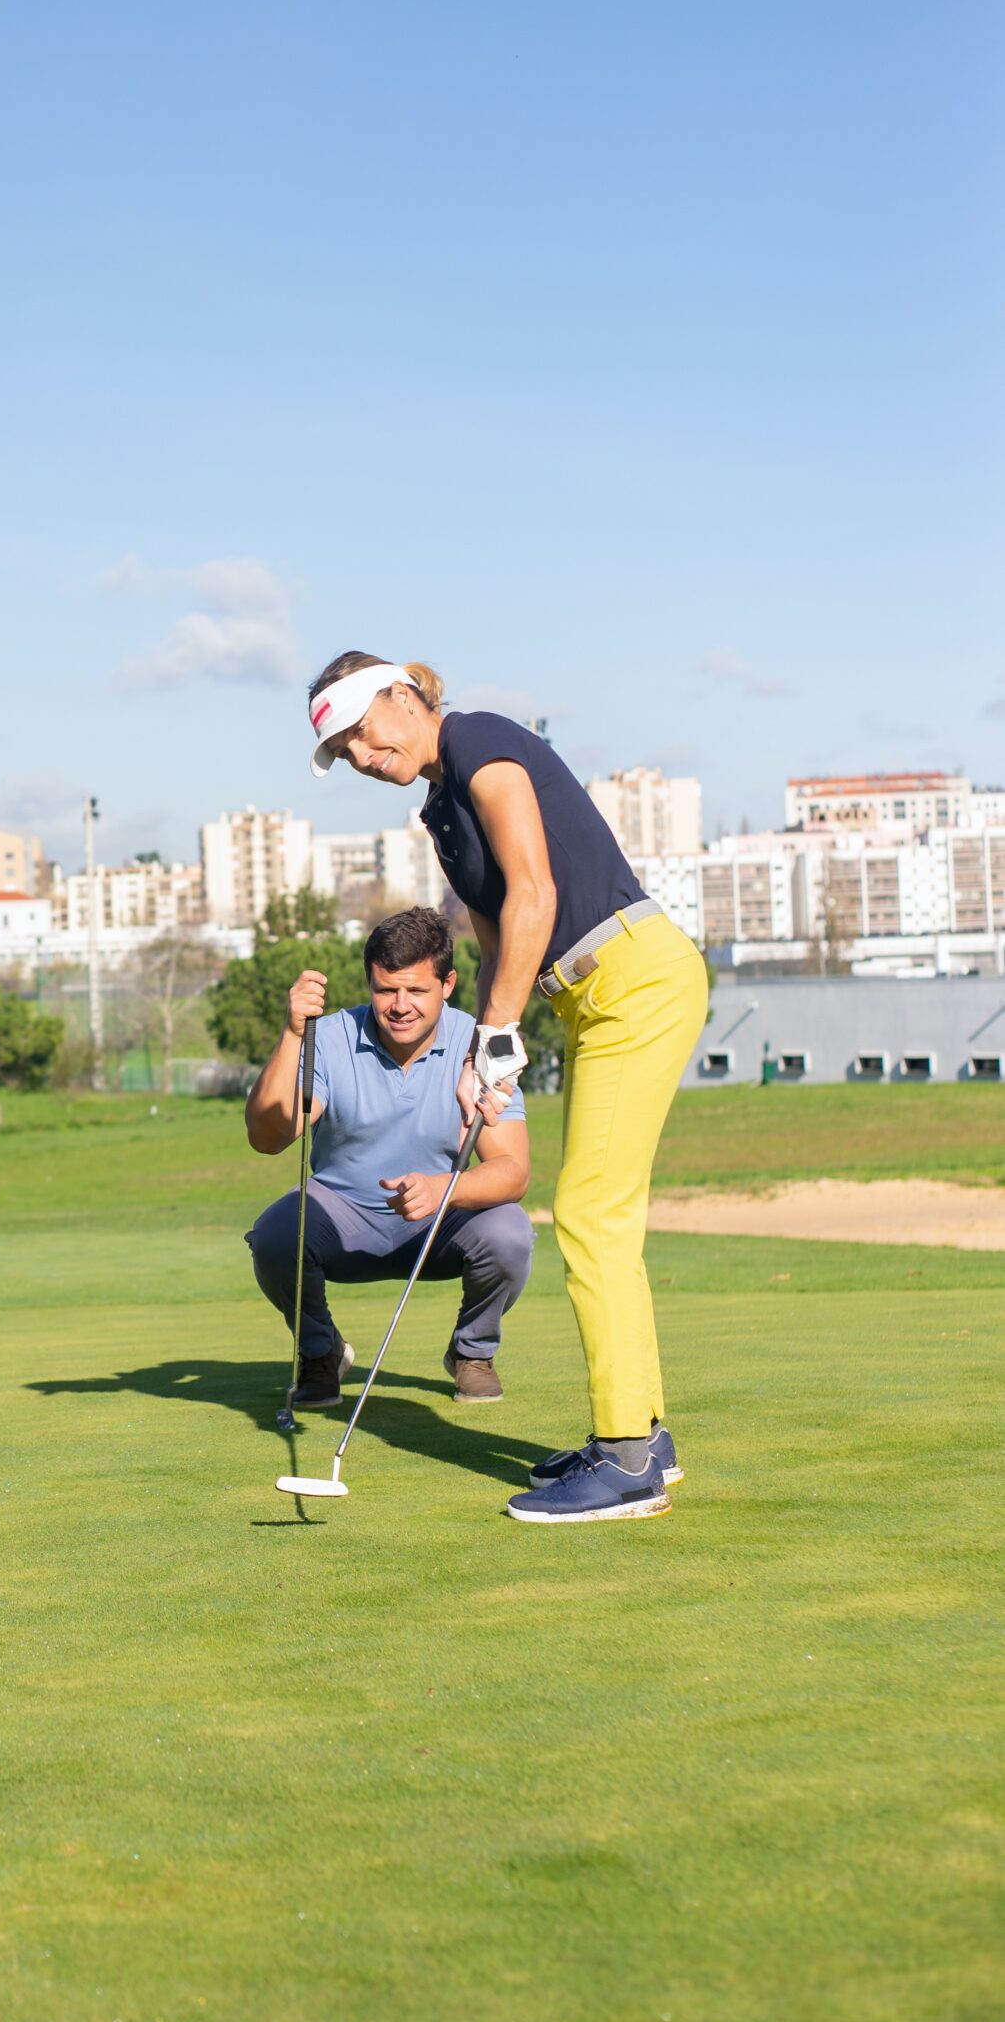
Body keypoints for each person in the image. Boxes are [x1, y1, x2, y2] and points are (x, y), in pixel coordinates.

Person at [305, 651, 708, 1523]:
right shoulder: (441, 810)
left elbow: (535, 892)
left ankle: (626, 1459)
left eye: (363, 735)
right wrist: (480, 1059)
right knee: (603, 1216)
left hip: (634, 978)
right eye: (345, 755)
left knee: (593, 1217)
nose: (364, 759)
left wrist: (493, 1033)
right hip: (586, 999)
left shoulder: (480, 738)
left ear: (403, 700)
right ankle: (640, 1435)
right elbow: (493, 940)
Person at [244, 905, 534, 1411]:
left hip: (442, 1222)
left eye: (417, 991)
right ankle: (320, 1352)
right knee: (273, 1235)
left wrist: (444, 1187)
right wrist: (293, 1034)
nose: (400, 1006)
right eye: (386, 990)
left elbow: (513, 1172)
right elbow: (269, 1137)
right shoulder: (331, 1036)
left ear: (447, 984)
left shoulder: (479, 1044)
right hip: (343, 1219)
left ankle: (473, 1353)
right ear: (370, 985)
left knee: (510, 1232)